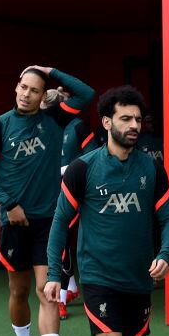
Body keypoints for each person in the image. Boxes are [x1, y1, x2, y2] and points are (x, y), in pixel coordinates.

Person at [43, 85, 169, 336]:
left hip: (139, 276)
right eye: (125, 118)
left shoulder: (152, 168)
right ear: (106, 122)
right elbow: (59, 223)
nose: (134, 125)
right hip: (99, 274)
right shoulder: (84, 168)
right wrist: (56, 273)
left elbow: (168, 218)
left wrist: (165, 254)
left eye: (138, 119)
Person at [0, 65, 94, 336]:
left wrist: (50, 70)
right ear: (16, 88)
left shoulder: (54, 120)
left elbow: (86, 94)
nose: (26, 94)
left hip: (49, 222)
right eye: (23, 87)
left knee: (47, 291)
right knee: (19, 290)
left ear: (44, 96)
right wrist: (9, 204)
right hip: (14, 223)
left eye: (34, 90)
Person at [54, 87, 101, 320]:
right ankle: (71, 288)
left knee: (64, 240)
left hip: (73, 190)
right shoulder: (44, 128)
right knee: (58, 242)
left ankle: (61, 298)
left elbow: (92, 156)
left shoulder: (78, 127)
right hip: (47, 193)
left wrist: (65, 170)